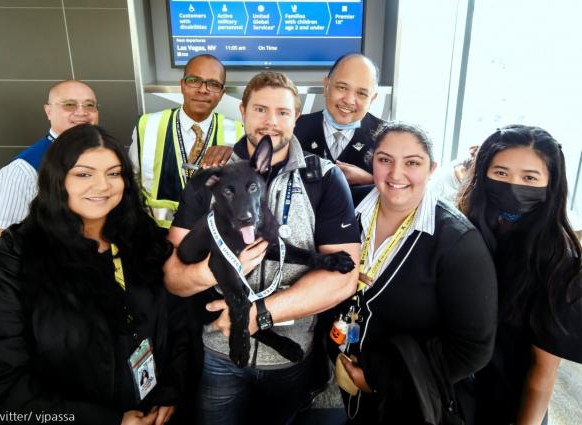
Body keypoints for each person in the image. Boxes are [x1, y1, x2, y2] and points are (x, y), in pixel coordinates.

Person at [0, 125, 201, 425]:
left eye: (114, 173)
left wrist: (170, 391)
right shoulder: (9, 264)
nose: (102, 186)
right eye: (84, 174)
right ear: (56, 179)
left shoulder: (143, 241)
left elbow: (179, 324)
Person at [163, 71, 361, 425]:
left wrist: (258, 314)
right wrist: (211, 268)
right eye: (260, 110)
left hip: (291, 358)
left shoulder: (324, 179)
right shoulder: (209, 176)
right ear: (242, 112)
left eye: (283, 112)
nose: (271, 122)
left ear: (297, 117)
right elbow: (173, 278)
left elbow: (344, 280)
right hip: (217, 353)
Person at [328, 122, 498, 424]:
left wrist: (382, 380)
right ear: (373, 163)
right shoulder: (347, 208)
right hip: (348, 378)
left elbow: (473, 349)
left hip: (414, 401)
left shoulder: (457, 242)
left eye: (412, 163)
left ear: (431, 168)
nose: (396, 174)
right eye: (385, 160)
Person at [457, 125, 582, 425]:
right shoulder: (465, 230)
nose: (513, 187)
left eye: (529, 178)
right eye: (501, 173)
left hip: (508, 406)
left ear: (550, 184)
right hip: (453, 393)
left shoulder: (558, 261)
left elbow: (543, 371)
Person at [129, 54, 244, 228]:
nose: (203, 89)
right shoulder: (148, 126)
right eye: (194, 80)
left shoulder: (237, 133)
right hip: (156, 241)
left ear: (222, 94)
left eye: (213, 84)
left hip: (210, 242)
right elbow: (131, 184)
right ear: (182, 85)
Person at [0, 80, 99, 236]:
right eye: (69, 104)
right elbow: (6, 237)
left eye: (90, 105)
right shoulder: (22, 171)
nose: (82, 112)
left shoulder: (102, 154)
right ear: (49, 111)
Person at [294, 53, 385, 188]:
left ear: (372, 99)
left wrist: (370, 180)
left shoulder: (386, 136)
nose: (348, 100)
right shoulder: (295, 128)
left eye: (361, 93)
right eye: (342, 87)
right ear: (326, 86)